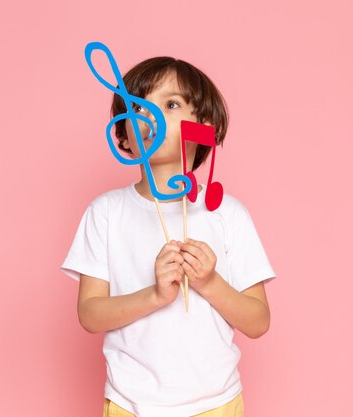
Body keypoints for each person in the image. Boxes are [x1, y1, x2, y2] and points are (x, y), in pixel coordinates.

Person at [60, 56, 277, 417]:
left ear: (204, 125)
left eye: (171, 104)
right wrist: (155, 295)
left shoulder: (227, 214)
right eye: (136, 106)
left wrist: (209, 283)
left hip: (216, 403)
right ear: (123, 130)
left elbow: (258, 321)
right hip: (131, 403)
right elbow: (90, 314)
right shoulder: (106, 212)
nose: (150, 116)